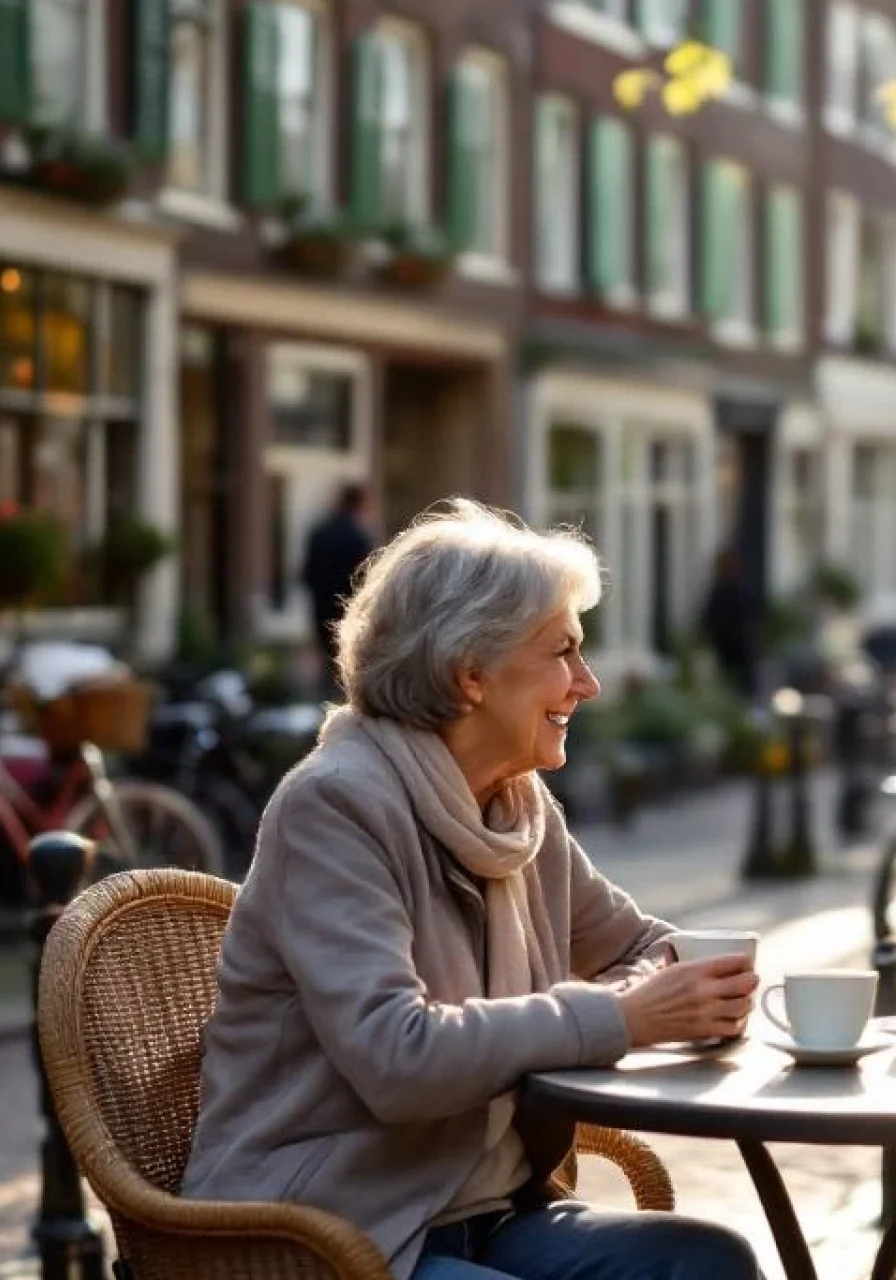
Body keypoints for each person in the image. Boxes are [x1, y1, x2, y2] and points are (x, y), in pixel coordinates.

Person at [182, 500, 764, 1280]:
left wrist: (667, 989)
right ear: (470, 675)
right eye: (562, 652)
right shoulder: (336, 804)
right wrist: (620, 1017)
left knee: (706, 1262)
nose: (587, 684)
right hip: (330, 1230)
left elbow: (635, 944)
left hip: (487, 1214)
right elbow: (396, 1056)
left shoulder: (515, 804)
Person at [302, 482, 377, 690]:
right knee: (347, 667)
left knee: (328, 664)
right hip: (349, 612)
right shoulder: (359, 537)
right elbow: (367, 581)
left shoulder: (319, 533)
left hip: (321, 611)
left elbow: (307, 574)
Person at [699, 548, 763, 698]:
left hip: (740, 647)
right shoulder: (721, 591)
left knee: (743, 686)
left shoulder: (741, 589)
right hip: (728, 646)